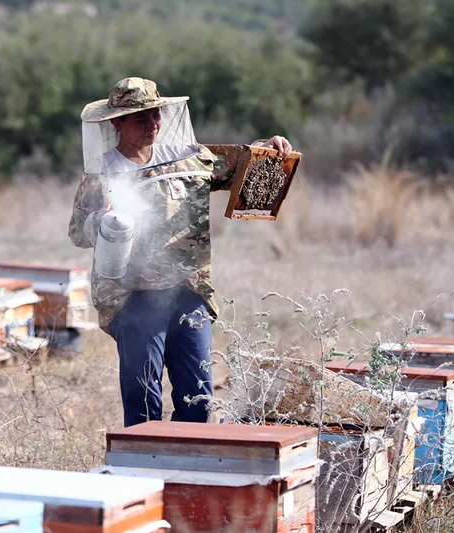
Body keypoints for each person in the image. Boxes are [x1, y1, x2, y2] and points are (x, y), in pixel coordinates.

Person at [68, 77, 294, 427]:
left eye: (155, 115)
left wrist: (268, 147)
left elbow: (243, 164)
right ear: (117, 123)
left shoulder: (186, 158)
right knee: (142, 398)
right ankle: (143, 475)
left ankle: (187, 472)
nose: (152, 125)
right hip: (133, 297)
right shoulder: (102, 173)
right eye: (140, 118)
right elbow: (77, 231)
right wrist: (101, 221)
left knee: (199, 397)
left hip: (189, 292)